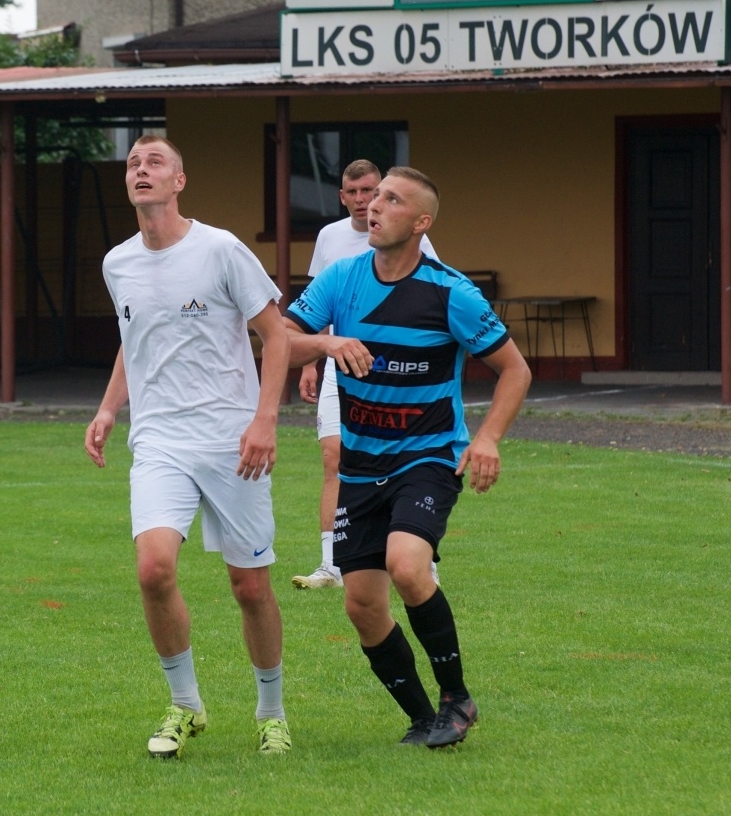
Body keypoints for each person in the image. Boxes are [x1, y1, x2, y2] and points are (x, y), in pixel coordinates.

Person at [283, 166, 530, 749]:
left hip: (427, 456)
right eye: (374, 199)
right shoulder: (342, 279)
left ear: (421, 222)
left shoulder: (452, 293)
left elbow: (515, 370)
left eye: (391, 200)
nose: (374, 207)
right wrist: (326, 342)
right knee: (362, 605)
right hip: (360, 466)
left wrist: (488, 437)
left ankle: (457, 698)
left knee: (408, 565)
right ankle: (423, 719)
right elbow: (279, 337)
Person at [84, 134, 293, 758]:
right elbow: (134, 337)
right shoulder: (116, 262)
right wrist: (108, 407)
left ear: (180, 181)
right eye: (132, 164)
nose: (141, 172)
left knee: (249, 586)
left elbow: (275, 336)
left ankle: (272, 711)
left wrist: (264, 421)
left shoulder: (221, 249)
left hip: (233, 442)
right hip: (160, 442)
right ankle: (185, 705)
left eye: (154, 164)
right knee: (153, 569)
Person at [292, 159, 438, 590]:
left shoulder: (416, 237)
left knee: (402, 461)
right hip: (341, 368)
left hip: (398, 373)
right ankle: (332, 564)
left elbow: (432, 296)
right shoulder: (329, 238)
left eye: (372, 192)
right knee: (334, 457)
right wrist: (309, 362)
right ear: (342, 196)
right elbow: (313, 308)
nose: (364, 201)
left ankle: (419, 555)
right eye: (354, 192)